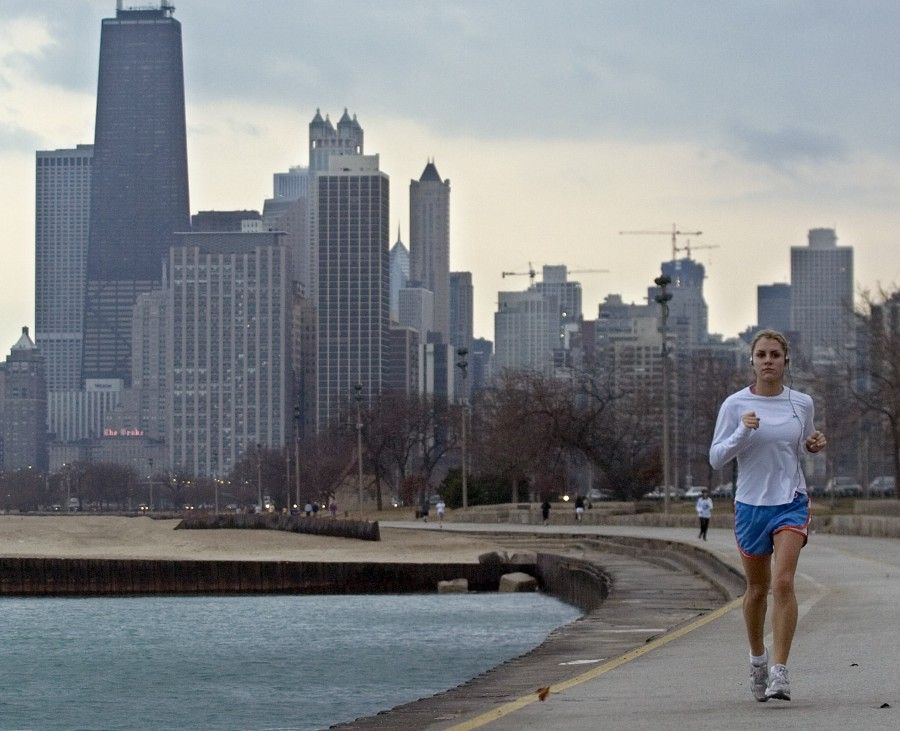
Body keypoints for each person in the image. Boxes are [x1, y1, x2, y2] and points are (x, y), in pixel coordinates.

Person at [709, 329, 826, 703]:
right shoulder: (735, 405)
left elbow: (806, 441)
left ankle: (780, 672)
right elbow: (717, 457)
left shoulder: (801, 403)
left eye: (775, 354)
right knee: (757, 590)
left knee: (785, 582)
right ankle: (757, 659)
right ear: (752, 361)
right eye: (761, 355)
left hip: (790, 500)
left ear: (786, 360)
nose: (768, 361)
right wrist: (743, 432)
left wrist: (814, 444)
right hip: (750, 506)